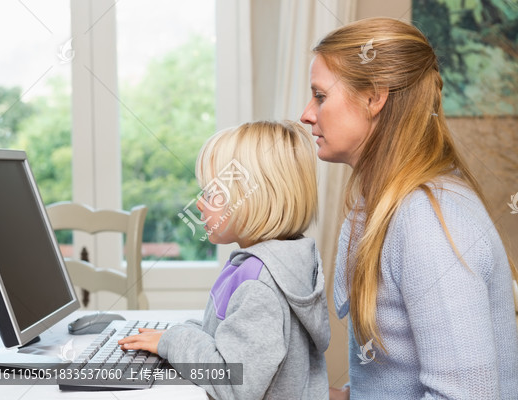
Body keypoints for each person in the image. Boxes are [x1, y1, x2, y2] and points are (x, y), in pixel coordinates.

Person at [300, 17, 518, 399]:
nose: (307, 114)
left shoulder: (426, 220)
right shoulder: (387, 205)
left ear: (373, 97)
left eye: (320, 96)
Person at [118, 120, 330, 399]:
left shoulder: (260, 284)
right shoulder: (280, 262)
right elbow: (224, 337)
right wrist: (174, 335)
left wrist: (173, 341)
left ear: (251, 199)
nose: (199, 203)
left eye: (210, 192)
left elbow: (234, 382)